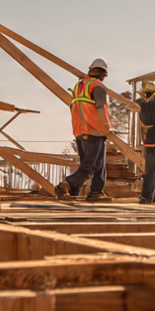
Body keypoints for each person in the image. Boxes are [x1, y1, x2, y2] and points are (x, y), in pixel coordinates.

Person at [55, 58, 113, 203]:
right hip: (94, 129)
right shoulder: (97, 86)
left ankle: (94, 191)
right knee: (92, 164)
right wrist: (106, 128)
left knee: (98, 162)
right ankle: (68, 184)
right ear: (102, 73)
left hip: (80, 130)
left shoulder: (79, 86)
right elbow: (100, 108)